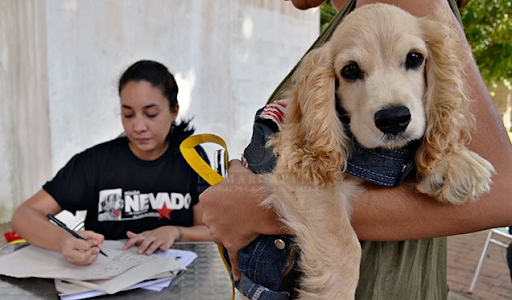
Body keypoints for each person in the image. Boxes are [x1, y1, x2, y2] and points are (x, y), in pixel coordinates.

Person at [199, 0, 512, 299]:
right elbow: (308, 163)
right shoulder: (346, 24)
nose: (389, 101)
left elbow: (502, 195)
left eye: (412, 60)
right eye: (352, 72)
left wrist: (254, 208)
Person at [11, 60, 212, 266]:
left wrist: (176, 232)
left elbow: (213, 231)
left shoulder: (192, 159)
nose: (138, 126)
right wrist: (63, 240)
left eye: (151, 114)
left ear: (174, 111)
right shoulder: (96, 163)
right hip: (105, 280)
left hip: (177, 281)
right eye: (128, 114)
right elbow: (24, 215)